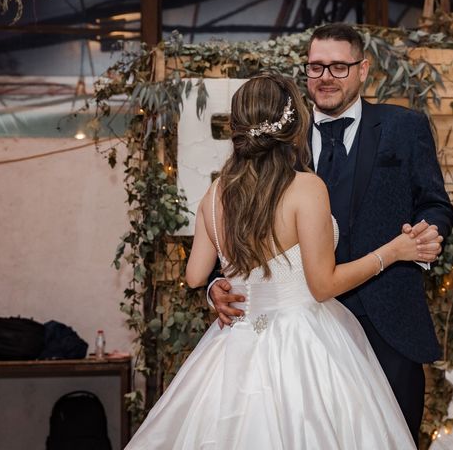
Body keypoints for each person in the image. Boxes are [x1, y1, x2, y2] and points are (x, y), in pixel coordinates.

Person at [125, 74, 429, 449]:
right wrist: (393, 252)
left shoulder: (216, 192)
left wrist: (217, 290)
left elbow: (194, 275)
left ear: (236, 126)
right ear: (294, 124)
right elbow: (323, 286)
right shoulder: (306, 188)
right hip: (305, 343)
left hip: (234, 343)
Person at [208, 23, 453, 445]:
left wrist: (428, 233)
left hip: (387, 320)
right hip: (297, 333)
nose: (326, 76)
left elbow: (435, 203)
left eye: (339, 67)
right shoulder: (278, 136)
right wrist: (219, 281)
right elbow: (240, 215)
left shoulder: (404, 127)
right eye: (316, 66)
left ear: (363, 70)